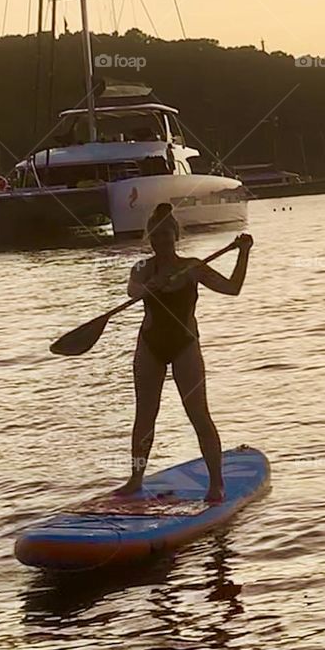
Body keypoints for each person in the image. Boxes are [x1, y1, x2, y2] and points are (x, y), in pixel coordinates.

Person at [115, 202, 253, 502]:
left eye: (166, 235)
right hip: (150, 345)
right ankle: (136, 478)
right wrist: (147, 288)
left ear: (175, 236)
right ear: (150, 238)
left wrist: (243, 254)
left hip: (185, 345)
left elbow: (233, 288)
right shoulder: (141, 269)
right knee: (144, 418)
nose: (161, 241)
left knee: (198, 415)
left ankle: (216, 483)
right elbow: (132, 290)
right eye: (156, 236)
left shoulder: (192, 267)